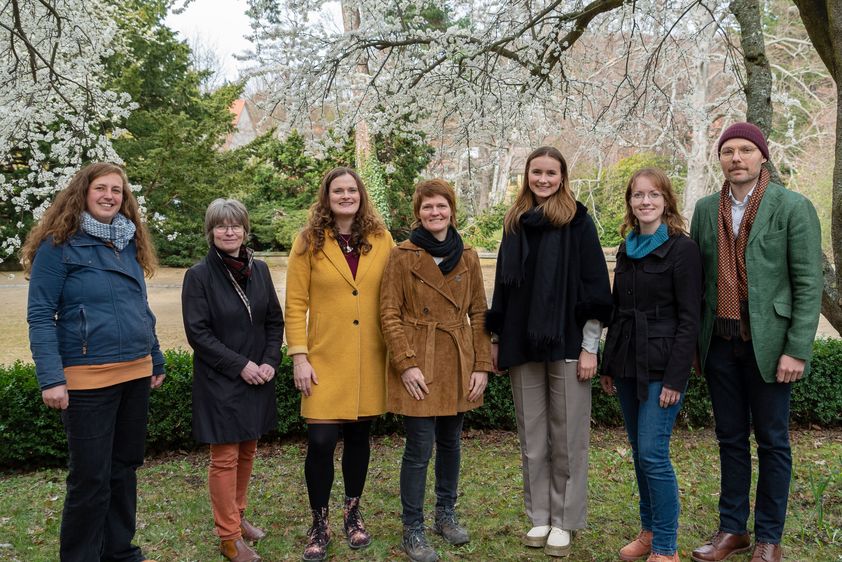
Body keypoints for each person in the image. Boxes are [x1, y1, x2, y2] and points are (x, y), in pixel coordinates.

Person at [689, 123, 822, 562]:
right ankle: (733, 530)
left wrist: (797, 348)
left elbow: (807, 284)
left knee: (772, 442)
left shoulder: (792, 207)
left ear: (762, 156)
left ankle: (769, 536)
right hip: (721, 343)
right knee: (729, 438)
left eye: (746, 150)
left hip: (770, 344)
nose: (736, 158)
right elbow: (700, 282)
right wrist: (695, 345)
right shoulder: (706, 210)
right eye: (728, 151)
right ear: (720, 159)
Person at [23, 162, 164, 562]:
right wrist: (51, 377)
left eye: (117, 190)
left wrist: (154, 356)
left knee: (124, 469)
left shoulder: (128, 241)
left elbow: (140, 305)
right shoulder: (58, 245)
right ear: (83, 192)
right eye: (101, 188)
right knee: (90, 478)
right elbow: (40, 315)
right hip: (86, 381)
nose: (109, 196)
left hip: (135, 375)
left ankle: (119, 551)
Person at [485, 146, 612, 558]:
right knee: (533, 437)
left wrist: (590, 347)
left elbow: (595, 289)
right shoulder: (515, 224)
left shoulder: (578, 221)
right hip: (523, 343)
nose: (543, 179)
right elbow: (504, 288)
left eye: (551, 172)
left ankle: (565, 521)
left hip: (569, 343)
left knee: (568, 437)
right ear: (527, 175)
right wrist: (497, 340)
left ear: (563, 176)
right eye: (536, 172)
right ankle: (539, 515)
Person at [380, 179, 493, 562]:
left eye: (441, 206)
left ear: (451, 210)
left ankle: (445, 515)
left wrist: (481, 365)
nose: (435, 212)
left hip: (458, 358)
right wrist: (406, 364)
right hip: (419, 357)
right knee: (418, 448)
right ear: (418, 212)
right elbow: (389, 314)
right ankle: (413, 528)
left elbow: (479, 313)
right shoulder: (402, 255)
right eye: (427, 207)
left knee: (451, 442)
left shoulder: (470, 256)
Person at [285, 166, 394, 561]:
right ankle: (319, 521)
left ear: (361, 195)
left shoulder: (382, 240)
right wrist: (299, 355)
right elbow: (295, 304)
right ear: (326, 197)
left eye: (352, 190)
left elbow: (394, 294)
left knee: (359, 440)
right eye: (338, 191)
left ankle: (353, 513)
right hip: (323, 359)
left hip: (368, 358)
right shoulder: (308, 241)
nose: (346, 196)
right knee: (320, 442)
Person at [599, 168, 702, 562]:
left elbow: (690, 318)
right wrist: (609, 364)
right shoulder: (627, 247)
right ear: (629, 202)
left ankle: (665, 546)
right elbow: (618, 310)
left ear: (666, 201)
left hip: (663, 367)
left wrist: (677, 377)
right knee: (639, 451)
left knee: (654, 454)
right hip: (626, 362)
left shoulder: (682, 249)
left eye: (653, 195)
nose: (645, 202)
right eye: (638, 195)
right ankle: (647, 531)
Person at [181, 199, 285, 562]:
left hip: (259, 376)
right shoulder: (198, 276)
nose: (229, 232)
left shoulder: (261, 270)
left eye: (235, 225)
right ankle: (227, 536)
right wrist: (241, 365)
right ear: (210, 232)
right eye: (221, 226)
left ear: (245, 229)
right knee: (224, 457)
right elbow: (198, 334)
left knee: (248, 450)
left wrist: (271, 360)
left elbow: (274, 320)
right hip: (221, 379)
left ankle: (238, 518)